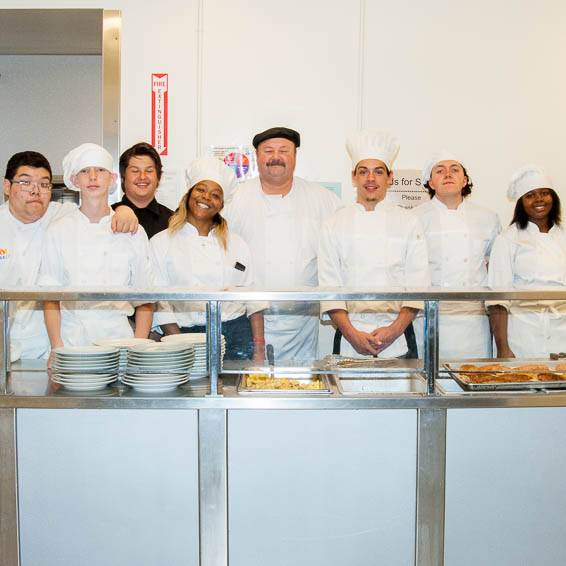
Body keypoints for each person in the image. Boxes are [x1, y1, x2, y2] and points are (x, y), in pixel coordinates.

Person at [0, 150, 138, 362]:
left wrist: (124, 211)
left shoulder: (60, 216)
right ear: (7, 187)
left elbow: (96, 209)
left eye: (44, 184)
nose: (36, 191)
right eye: (25, 183)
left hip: (42, 347)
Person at [223, 126, 342, 360]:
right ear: (257, 157)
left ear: (295, 156)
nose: (275, 157)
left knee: (300, 386)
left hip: (303, 324)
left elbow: (345, 244)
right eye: (268, 151)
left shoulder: (322, 199)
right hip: (249, 319)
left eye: (283, 150)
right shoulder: (235, 200)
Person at [39, 143, 154, 365]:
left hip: (120, 343)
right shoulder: (58, 230)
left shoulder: (132, 231)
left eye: (100, 170)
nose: (93, 177)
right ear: (74, 181)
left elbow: (145, 299)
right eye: (85, 171)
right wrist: (56, 347)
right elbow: (50, 297)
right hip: (72, 342)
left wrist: (139, 348)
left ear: (111, 180)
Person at [318, 131, 430, 358]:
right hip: (350, 335)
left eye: (378, 172)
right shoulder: (333, 224)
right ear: (353, 177)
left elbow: (419, 286)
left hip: (398, 335)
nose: (371, 178)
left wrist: (394, 331)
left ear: (390, 177)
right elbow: (329, 288)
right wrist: (352, 334)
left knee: (401, 394)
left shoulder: (409, 222)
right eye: (363, 171)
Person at [151, 157, 265, 361]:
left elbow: (253, 300)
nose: (206, 198)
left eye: (215, 195)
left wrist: (259, 348)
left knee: (232, 391)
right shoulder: (161, 242)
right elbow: (159, 302)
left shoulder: (237, 244)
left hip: (236, 334)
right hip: (182, 334)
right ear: (188, 194)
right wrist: (180, 342)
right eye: (200, 190)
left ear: (221, 205)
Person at [412, 151, 501, 358]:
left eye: (454, 169)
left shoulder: (487, 217)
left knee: (474, 378)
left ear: (465, 180)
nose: (448, 174)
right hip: (429, 318)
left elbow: (496, 268)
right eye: (440, 171)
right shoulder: (414, 218)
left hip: (473, 323)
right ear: (431, 183)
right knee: (428, 381)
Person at [488, 165, 566, 358]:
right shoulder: (508, 239)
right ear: (521, 203)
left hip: (561, 332)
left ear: (553, 199)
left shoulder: (563, 237)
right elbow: (498, 300)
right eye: (530, 195)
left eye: (544, 193)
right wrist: (502, 348)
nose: (539, 199)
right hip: (522, 334)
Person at [112, 142, 174, 239]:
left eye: (149, 171)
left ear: (158, 177)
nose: (142, 176)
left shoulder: (173, 221)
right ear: (122, 177)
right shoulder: (109, 216)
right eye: (135, 171)